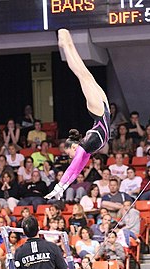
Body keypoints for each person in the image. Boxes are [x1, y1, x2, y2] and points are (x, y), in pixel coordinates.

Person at [45, 29, 110, 201]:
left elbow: (74, 168)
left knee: (83, 75)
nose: (70, 157)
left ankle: (66, 43)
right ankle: (66, 42)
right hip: (102, 110)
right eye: (69, 155)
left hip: (101, 111)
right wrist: (62, 186)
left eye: (68, 154)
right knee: (83, 74)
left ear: (73, 147)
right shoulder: (86, 149)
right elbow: (76, 168)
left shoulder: (86, 146)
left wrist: (61, 186)